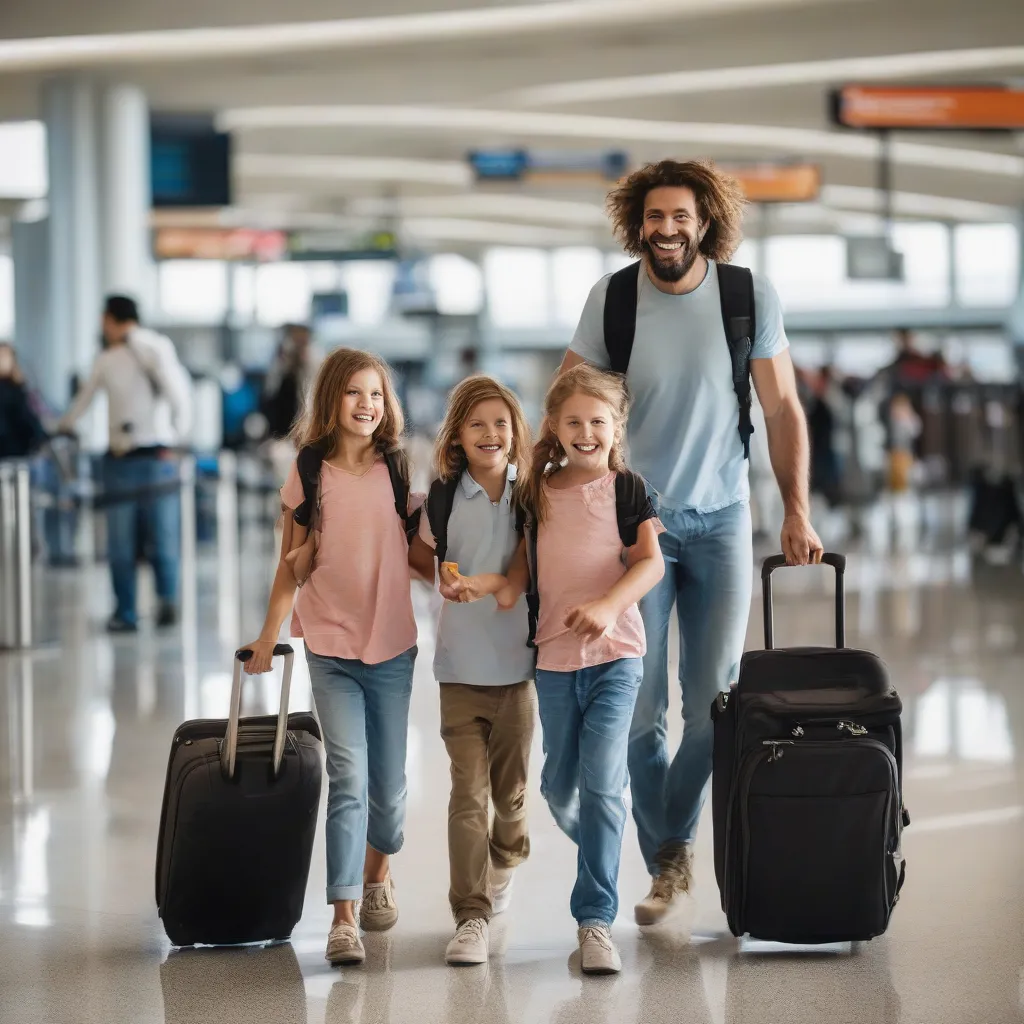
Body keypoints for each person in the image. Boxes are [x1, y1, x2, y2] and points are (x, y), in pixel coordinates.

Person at [559, 159, 822, 925]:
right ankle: (672, 858)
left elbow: (782, 412)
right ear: (635, 224)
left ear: (704, 221)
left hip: (723, 519)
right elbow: (568, 404)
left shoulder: (747, 296)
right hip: (639, 526)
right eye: (653, 218)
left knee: (714, 704)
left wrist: (796, 510)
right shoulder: (612, 300)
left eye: (680, 217)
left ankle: (666, 847)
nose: (665, 230)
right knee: (638, 714)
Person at [241, 348, 423, 969]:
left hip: (393, 644)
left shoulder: (398, 470)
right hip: (330, 646)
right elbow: (289, 565)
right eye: (352, 393)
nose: (366, 404)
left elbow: (422, 553)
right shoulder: (308, 471)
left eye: (375, 393)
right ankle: (343, 916)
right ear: (330, 402)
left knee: (391, 793)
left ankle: (378, 875)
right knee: (349, 777)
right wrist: (268, 636)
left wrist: (471, 585)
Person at [518, 364, 665, 974]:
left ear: (616, 426)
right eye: (572, 421)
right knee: (557, 787)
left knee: (604, 783)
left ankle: (594, 921)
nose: (586, 432)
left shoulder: (629, 490)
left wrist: (608, 606)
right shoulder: (535, 492)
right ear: (552, 426)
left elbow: (651, 564)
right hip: (553, 661)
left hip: (616, 658)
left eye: (598, 421)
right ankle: (603, 843)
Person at [409, 375, 536, 966]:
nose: (490, 434)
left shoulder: (533, 493)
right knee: (468, 796)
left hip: (518, 673)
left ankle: (506, 860)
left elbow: (533, 568)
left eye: (501, 424)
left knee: (509, 800)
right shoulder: (441, 494)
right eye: (477, 424)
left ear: (515, 435)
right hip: (458, 670)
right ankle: (470, 915)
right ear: (457, 435)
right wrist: (439, 579)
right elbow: (420, 554)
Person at [57, 297, 192, 632]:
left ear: (109, 319)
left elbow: (177, 393)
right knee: (138, 539)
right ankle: (138, 608)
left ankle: (153, 606)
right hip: (135, 459)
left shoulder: (148, 348)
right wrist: (65, 425)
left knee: (144, 538)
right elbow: (85, 399)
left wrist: (177, 437)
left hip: (147, 457)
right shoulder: (111, 357)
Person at [0, 342, 47, 459]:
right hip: (9, 450)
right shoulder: (12, 389)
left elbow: (27, 417)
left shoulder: (17, 387)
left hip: (16, 451)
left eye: (7, 356)